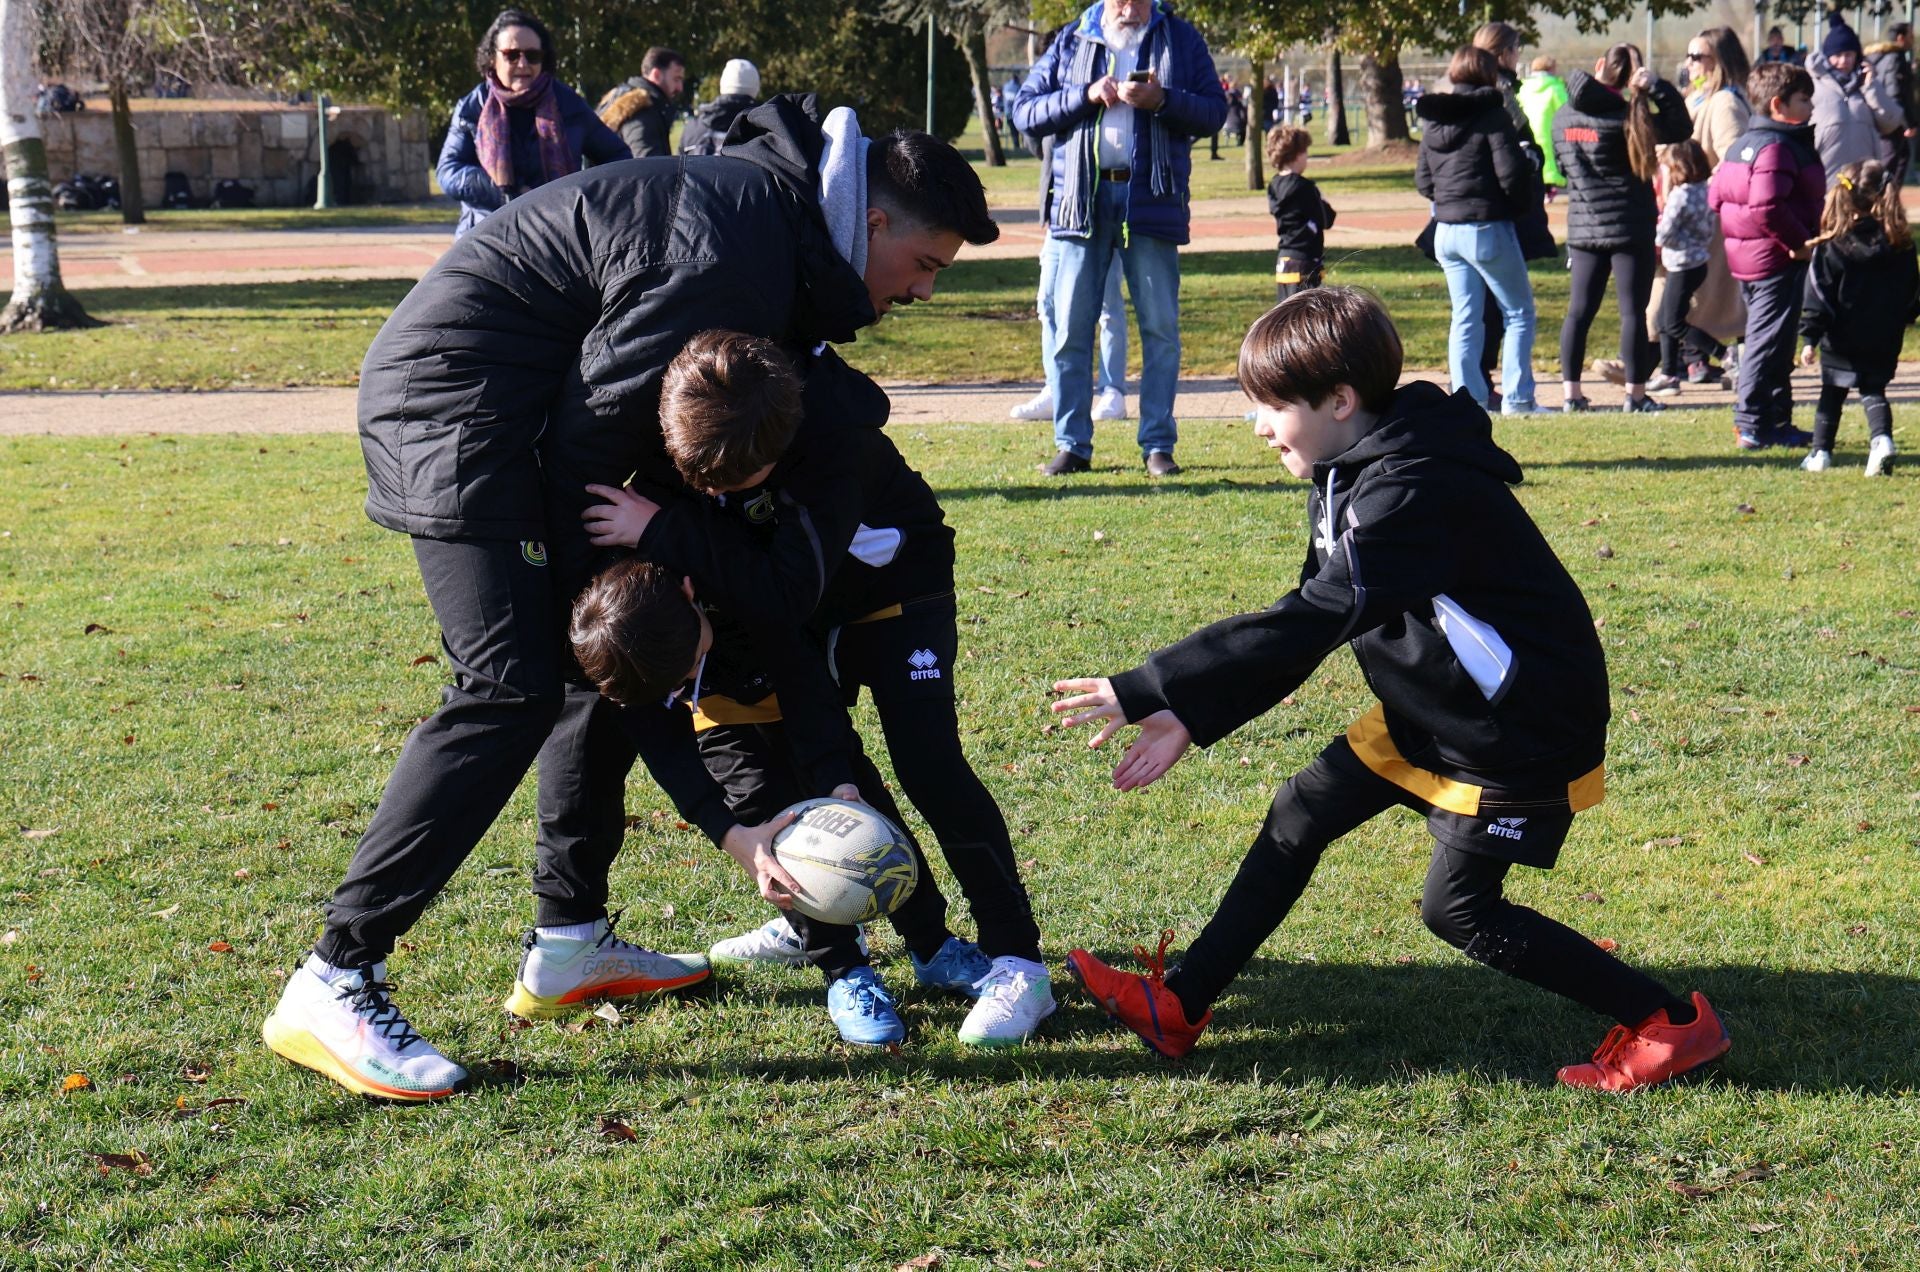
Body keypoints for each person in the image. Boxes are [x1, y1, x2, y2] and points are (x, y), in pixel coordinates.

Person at [259, 98, 998, 1101]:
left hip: (500, 415)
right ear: (873, 222)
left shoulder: (770, 235)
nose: (919, 292)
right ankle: (337, 975)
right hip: (460, 411)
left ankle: (570, 942)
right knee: (514, 686)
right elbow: (593, 435)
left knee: (574, 676)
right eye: (925, 266)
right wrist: (622, 588)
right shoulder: (734, 253)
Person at [1049, 288, 1732, 1093]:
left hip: (1514, 732)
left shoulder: (1413, 487)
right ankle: (1179, 1006)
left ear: (1340, 401)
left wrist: (1147, 683)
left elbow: (1315, 614)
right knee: (1301, 809)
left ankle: (1671, 1023)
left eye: (1272, 407)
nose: (1259, 427)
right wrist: (1192, 714)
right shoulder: (1347, 471)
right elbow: (1318, 622)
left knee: (1460, 911)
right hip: (1433, 708)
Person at [579, 335, 1057, 1046]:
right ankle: (842, 965)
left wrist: (835, 774)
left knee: (899, 781)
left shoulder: (828, 456)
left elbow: (788, 625)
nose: (713, 494)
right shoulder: (647, 609)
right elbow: (670, 737)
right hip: (764, 639)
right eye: (700, 482)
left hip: (884, 592)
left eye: (732, 483)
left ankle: (970, 949)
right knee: (784, 824)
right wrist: (732, 832)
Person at [1011, 0, 1228, 478]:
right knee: (1069, 330)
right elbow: (1024, 111)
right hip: (1079, 204)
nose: (1129, 6)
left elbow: (1215, 111)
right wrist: (1084, 95)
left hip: (1150, 199)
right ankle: (1072, 444)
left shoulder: (1181, 39)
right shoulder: (1072, 38)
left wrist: (1163, 100)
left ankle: (1157, 445)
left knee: (1160, 330)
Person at [1552, 43, 1691, 413]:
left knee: (1579, 311)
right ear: (1634, 77)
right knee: (1633, 311)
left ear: (1599, 65)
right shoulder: (1630, 116)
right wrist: (1657, 87)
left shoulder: (1562, 117)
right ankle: (1635, 394)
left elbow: (1563, 168)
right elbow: (1681, 125)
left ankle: (1571, 395)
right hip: (1630, 226)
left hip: (1583, 228)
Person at [1416, 45, 1539, 415]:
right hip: (1486, 226)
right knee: (1518, 312)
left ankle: (1468, 403)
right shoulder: (1493, 115)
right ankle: (1519, 399)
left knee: (1465, 316)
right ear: (1488, 74)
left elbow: (1423, 180)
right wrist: (1517, 202)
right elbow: (1512, 174)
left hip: (1447, 231)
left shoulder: (1434, 121)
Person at [1712, 61, 1825, 451]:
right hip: (1775, 261)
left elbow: (1718, 198)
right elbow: (1765, 207)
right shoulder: (1777, 148)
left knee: (1776, 342)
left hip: (1750, 260)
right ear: (1778, 104)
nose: (1811, 106)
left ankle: (1776, 420)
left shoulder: (1742, 143)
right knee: (1765, 342)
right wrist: (1797, 241)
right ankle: (1750, 423)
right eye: (1803, 99)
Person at [435, 9, 626, 239]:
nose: (523, 64)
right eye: (511, 55)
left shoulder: (568, 105)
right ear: (492, 58)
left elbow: (618, 156)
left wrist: (582, 195)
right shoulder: (472, 106)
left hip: (556, 237)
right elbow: (449, 171)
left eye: (532, 55)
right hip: (485, 238)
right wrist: (508, 193)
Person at [1797, 159, 1915, 476]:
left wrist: (1809, 337)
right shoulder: (1901, 244)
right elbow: (1911, 291)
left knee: (1831, 393)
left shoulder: (1832, 247)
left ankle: (1820, 453)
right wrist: (1901, 319)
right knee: (1873, 389)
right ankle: (1882, 440)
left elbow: (1818, 296)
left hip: (1841, 336)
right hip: (1884, 335)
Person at [1010, 133, 1131, 426]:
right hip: (1061, 207)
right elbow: (1033, 133)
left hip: (1097, 203)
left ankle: (1112, 390)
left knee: (1107, 302)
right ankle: (1056, 387)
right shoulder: (1059, 91)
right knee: (1048, 302)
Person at [1649, 140, 1719, 394]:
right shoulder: (1706, 190)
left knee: (1673, 322)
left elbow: (1664, 234)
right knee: (1663, 319)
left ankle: (1725, 353)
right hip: (1698, 262)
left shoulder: (1680, 195)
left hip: (1680, 263)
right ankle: (1669, 373)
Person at [1809, 13, 1903, 180]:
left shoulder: (1867, 84)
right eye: (1837, 55)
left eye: (1849, 55)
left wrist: (1871, 86)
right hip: (1824, 176)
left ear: (1857, 56)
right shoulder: (1812, 85)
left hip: (1863, 179)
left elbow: (1891, 122)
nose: (1843, 61)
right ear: (1827, 56)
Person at [1265, 124, 1335, 301]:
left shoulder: (1274, 185)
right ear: (1296, 155)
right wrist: (1321, 198)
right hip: (1305, 260)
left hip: (1284, 259)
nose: (1307, 157)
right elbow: (1327, 219)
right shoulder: (1305, 187)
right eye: (1305, 152)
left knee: (1285, 314)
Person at [599, 46, 685, 159]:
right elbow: (648, 167)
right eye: (676, 79)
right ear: (657, 75)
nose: (680, 88)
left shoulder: (617, 97)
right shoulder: (640, 106)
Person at [1865, 23, 1919, 188]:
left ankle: (1884, 198)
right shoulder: (1896, 58)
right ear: (1900, 38)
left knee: (1899, 155)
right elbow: (1897, 92)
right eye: (1910, 36)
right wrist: (1907, 122)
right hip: (1891, 117)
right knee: (1892, 160)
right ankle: (1882, 199)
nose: (1913, 39)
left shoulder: (1876, 56)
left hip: (1875, 114)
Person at [678, 59, 761, 157]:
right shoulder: (766, 130)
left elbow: (677, 169)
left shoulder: (692, 130)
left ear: (723, 85)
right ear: (756, 88)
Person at [1517, 56, 1569, 193]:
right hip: (1548, 130)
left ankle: (1545, 190)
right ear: (1551, 68)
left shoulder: (1524, 87)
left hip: (1528, 129)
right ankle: (1550, 189)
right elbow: (1565, 110)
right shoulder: (1555, 88)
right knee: (1551, 159)